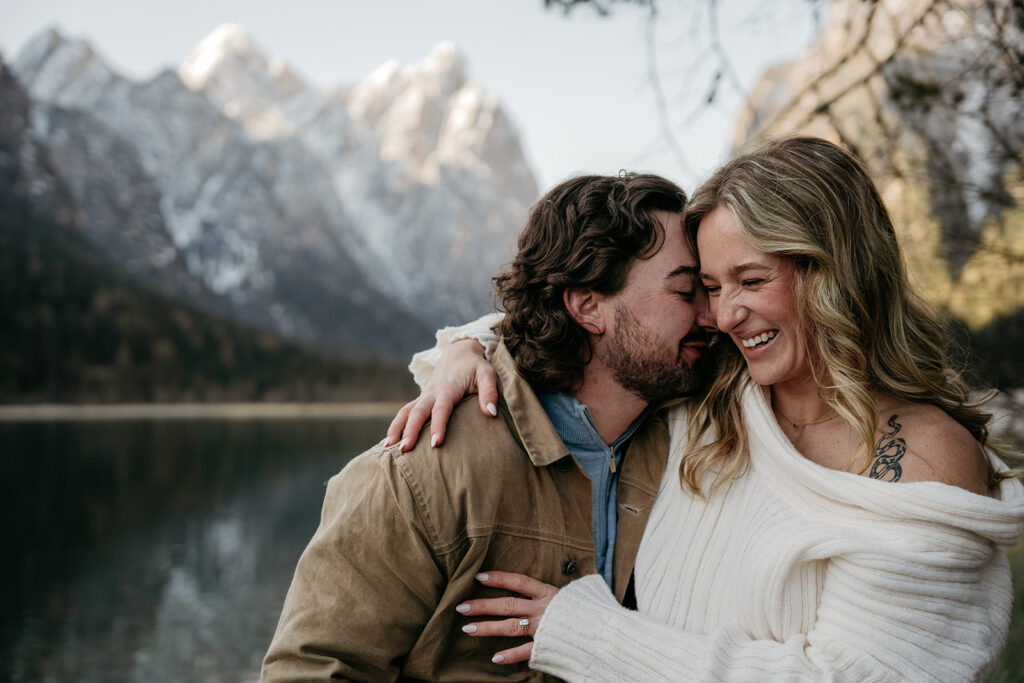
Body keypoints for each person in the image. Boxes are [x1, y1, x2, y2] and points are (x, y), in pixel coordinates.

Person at [393, 136, 1024, 681]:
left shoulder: (924, 458)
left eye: (751, 281)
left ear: (837, 273)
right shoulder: (715, 397)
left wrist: (586, 635)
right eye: (707, 288)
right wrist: (468, 347)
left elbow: (851, 676)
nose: (722, 317)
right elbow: (589, 320)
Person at [261, 173, 713, 681]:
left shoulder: (692, 438)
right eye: (686, 291)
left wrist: (466, 342)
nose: (712, 315)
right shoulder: (420, 475)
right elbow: (309, 671)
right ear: (587, 306)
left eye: (709, 290)